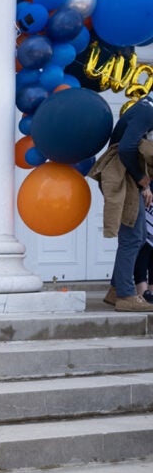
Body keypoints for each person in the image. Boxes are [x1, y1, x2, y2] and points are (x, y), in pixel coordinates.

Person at [91, 94, 153, 312]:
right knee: (133, 237)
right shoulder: (147, 110)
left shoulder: (144, 107)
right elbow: (127, 147)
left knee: (138, 236)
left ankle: (116, 290)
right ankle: (126, 296)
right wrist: (141, 180)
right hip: (124, 177)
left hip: (125, 176)